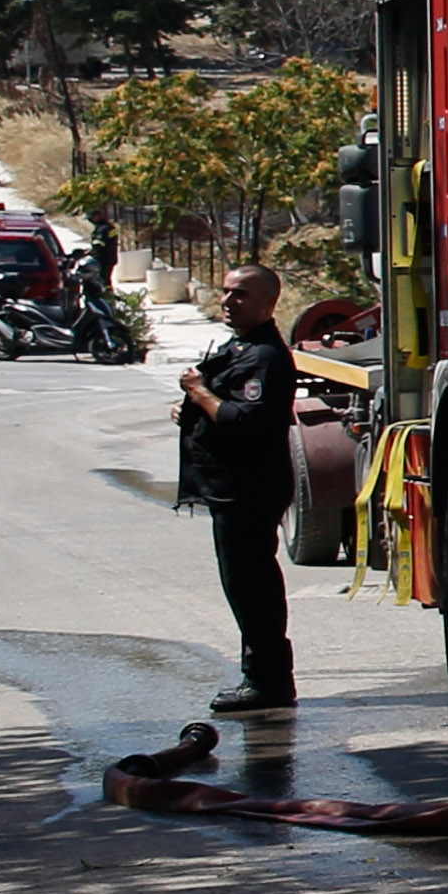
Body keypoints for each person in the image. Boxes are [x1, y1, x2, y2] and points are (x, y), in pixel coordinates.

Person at [174, 266, 300, 714]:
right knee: (244, 584)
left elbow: (245, 421)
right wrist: (192, 406)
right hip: (231, 488)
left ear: (269, 302)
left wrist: (199, 393)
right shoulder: (240, 347)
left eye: (241, 294)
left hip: (249, 489)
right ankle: (262, 677)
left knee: (252, 587)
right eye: (226, 293)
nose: (228, 301)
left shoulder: (264, 357)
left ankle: (266, 681)